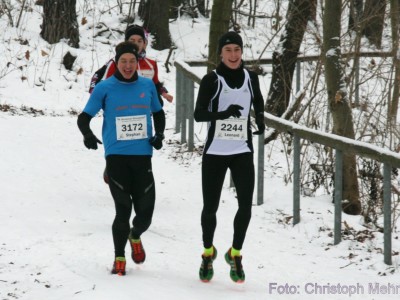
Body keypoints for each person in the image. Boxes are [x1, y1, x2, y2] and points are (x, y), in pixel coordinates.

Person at [77, 42, 166, 276]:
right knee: (123, 209)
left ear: (138, 63)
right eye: (123, 61)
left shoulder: (147, 85)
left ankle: (135, 235)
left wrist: (160, 135)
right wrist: (87, 134)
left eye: (132, 61)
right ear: (116, 62)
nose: (128, 66)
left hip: (143, 156)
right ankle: (119, 257)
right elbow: (84, 117)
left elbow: (158, 113)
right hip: (116, 156)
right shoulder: (105, 88)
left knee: (145, 215)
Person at [194, 31, 265, 283]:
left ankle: (235, 254)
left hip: (242, 150)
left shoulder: (250, 77)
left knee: (246, 205)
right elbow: (198, 114)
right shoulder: (211, 80)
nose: (233, 55)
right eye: (228, 51)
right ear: (220, 54)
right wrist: (223, 114)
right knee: (210, 207)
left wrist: (261, 119)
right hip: (215, 152)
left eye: (237, 50)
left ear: (241, 51)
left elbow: (258, 99)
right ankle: (207, 252)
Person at [89, 25, 173, 184]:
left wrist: (162, 93)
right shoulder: (117, 62)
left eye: (140, 40)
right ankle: (112, 162)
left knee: (140, 141)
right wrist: (97, 96)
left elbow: (154, 84)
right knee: (120, 140)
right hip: (119, 111)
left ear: (145, 43)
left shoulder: (151, 64)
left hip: (142, 111)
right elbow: (101, 81)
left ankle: (139, 176)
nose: (136, 43)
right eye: (132, 40)